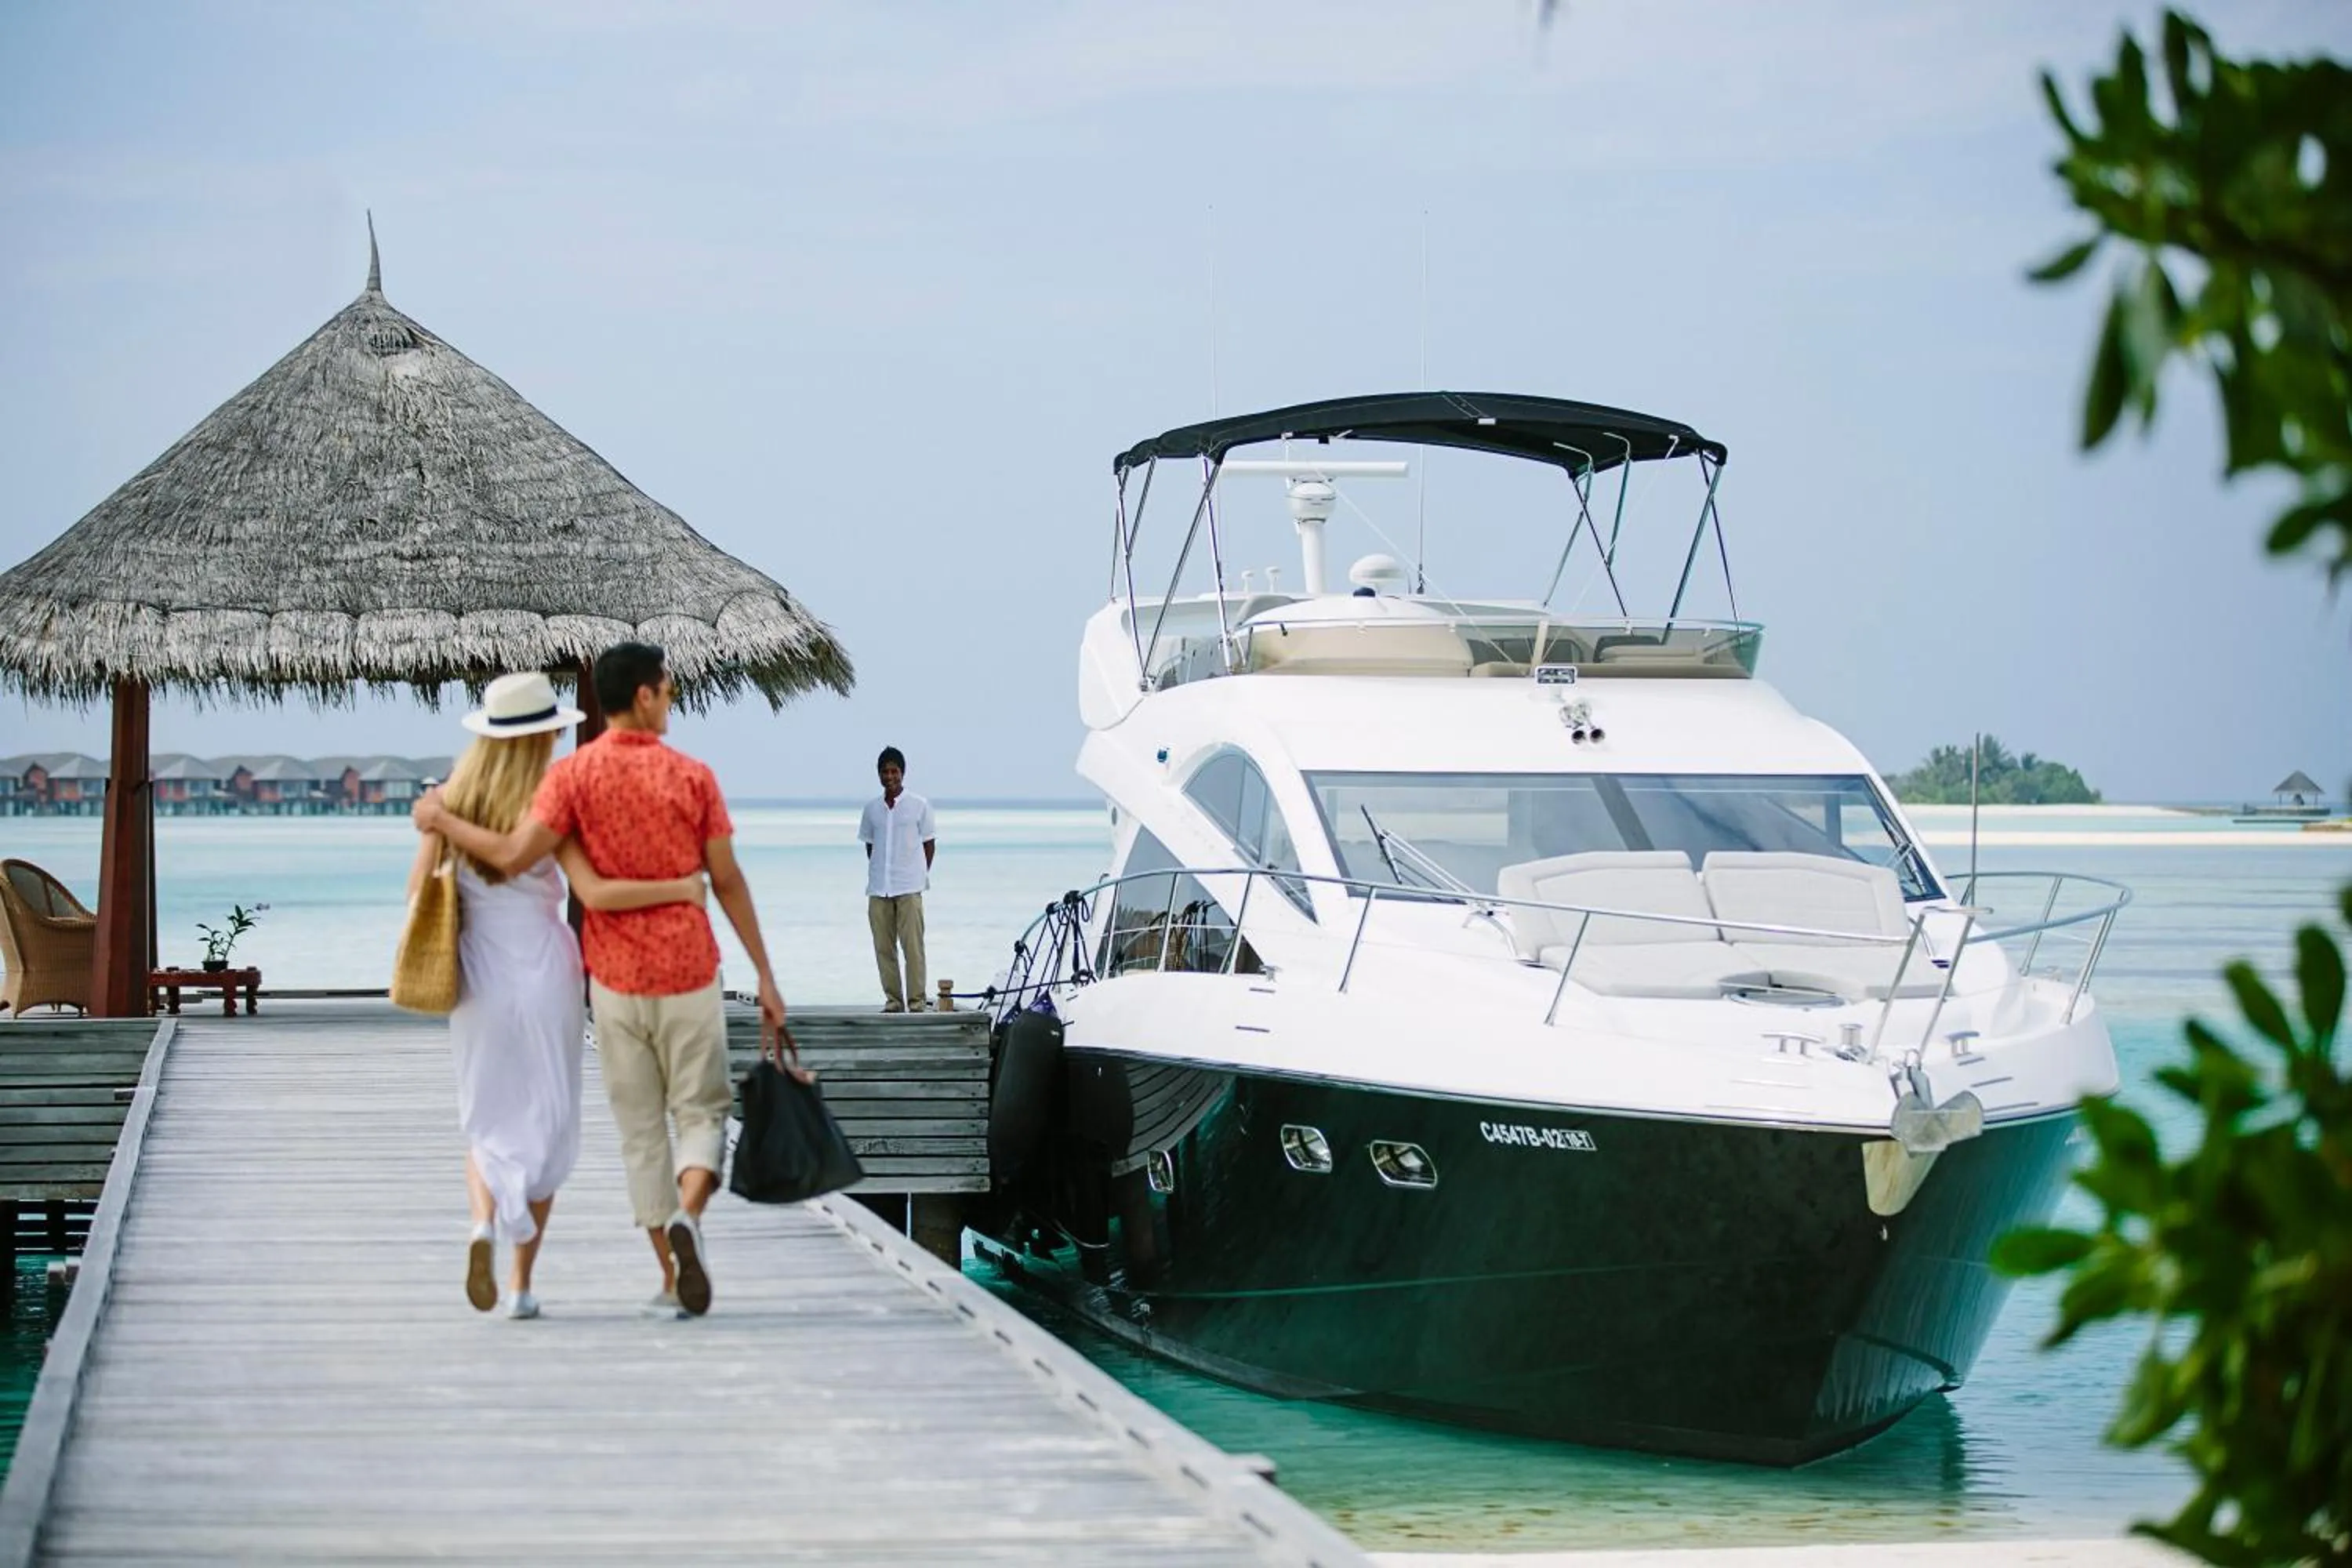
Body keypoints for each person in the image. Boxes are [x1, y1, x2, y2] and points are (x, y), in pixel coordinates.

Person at [416, 644, 788, 1319]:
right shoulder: (671, 779)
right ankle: (677, 1227)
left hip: (570, 981)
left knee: (610, 1131)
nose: (672, 697)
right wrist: (758, 966)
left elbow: (468, 877)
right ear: (643, 696)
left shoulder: (554, 783)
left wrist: (438, 820)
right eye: (668, 688)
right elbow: (704, 881)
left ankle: (651, 1272)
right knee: (682, 1116)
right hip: (646, 972)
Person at [858, 746, 935, 1013]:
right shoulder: (871, 810)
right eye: (885, 772)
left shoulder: (920, 806)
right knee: (884, 948)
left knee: (913, 948)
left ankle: (916, 1002)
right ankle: (894, 1000)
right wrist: (882, 871)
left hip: (910, 888)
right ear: (879, 775)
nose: (889, 776)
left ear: (903, 773)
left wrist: (917, 873)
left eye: (894, 771)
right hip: (879, 888)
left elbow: (929, 845)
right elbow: (871, 846)